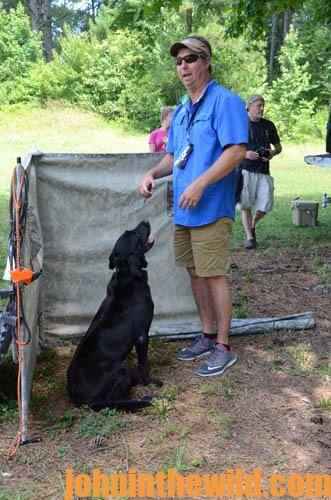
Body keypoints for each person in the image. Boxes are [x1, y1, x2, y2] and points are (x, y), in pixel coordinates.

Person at [140, 35, 248, 377]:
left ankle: (223, 346)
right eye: (179, 61)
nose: (183, 66)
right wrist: (153, 173)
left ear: (206, 62)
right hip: (183, 210)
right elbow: (173, 156)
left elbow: (236, 152)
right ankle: (205, 335)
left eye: (189, 59)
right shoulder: (183, 110)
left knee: (213, 274)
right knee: (193, 272)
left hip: (212, 207)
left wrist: (201, 183)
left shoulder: (225, 102)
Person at [239, 94, 282, 249]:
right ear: (249, 106)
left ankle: (252, 224)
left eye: (263, 105)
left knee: (266, 204)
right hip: (246, 169)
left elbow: (279, 147)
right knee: (246, 204)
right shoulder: (240, 124)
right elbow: (228, 149)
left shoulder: (268, 125)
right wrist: (245, 154)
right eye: (258, 105)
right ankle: (250, 238)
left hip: (263, 169)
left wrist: (272, 153)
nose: (262, 108)